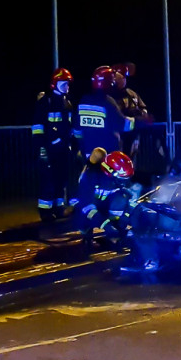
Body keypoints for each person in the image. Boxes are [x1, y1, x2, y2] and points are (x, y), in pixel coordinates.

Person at [32, 68, 79, 222]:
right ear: (55, 84)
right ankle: (45, 211)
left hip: (63, 149)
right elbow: (38, 127)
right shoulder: (46, 101)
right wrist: (42, 147)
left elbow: (70, 126)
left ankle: (58, 208)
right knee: (48, 180)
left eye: (68, 84)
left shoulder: (67, 102)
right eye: (64, 84)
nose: (67, 87)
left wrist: (73, 144)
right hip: (49, 149)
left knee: (62, 178)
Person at [75, 148, 136, 248]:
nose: (123, 181)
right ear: (110, 172)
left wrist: (123, 221)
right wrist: (105, 225)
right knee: (82, 219)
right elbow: (86, 206)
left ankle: (115, 232)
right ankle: (87, 236)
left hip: (105, 205)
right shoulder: (90, 178)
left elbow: (128, 198)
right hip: (89, 207)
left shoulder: (116, 180)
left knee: (121, 200)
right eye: (122, 178)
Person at [77, 65, 136, 161]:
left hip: (88, 153)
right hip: (107, 155)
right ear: (109, 84)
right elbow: (122, 124)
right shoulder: (108, 102)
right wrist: (139, 121)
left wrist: (81, 145)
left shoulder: (83, 101)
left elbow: (77, 129)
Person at [111, 62, 150, 159]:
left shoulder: (132, 93)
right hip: (119, 134)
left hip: (134, 133)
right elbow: (116, 115)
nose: (124, 80)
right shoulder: (110, 96)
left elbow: (143, 107)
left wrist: (142, 114)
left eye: (125, 77)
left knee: (132, 157)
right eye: (122, 77)